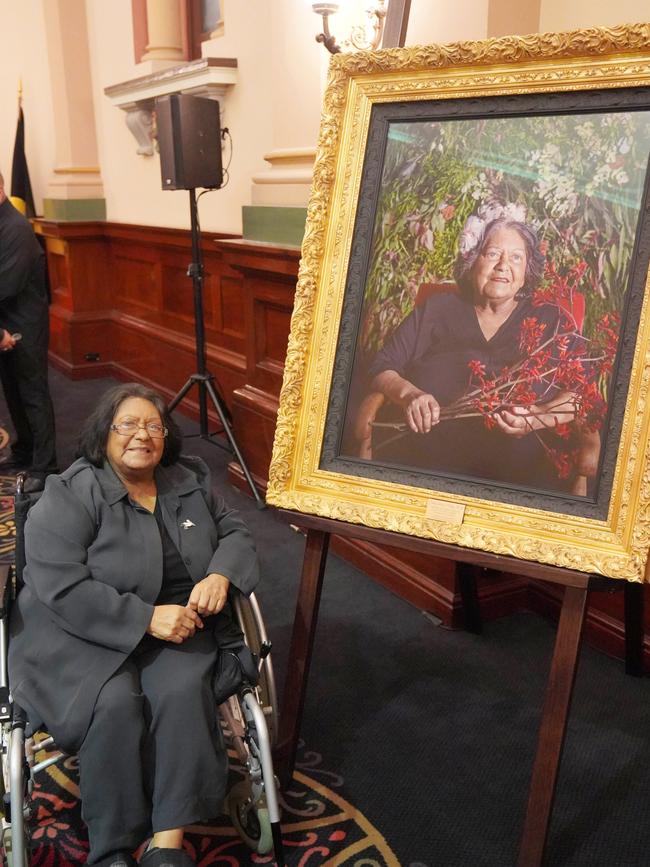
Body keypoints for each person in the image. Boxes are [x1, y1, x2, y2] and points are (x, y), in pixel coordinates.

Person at [8, 382, 259, 867]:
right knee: (115, 704)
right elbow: (59, 586)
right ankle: (113, 849)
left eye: (153, 426)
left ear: (166, 437)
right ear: (104, 433)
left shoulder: (186, 479)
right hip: (82, 631)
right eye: (127, 424)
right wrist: (145, 618)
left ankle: (166, 845)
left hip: (180, 623)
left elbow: (236, 530)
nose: (141, 436)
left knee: (183, 690)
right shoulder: (71, 493)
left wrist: (221, 573)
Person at [367, 216, 578, 490]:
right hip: (425, 468)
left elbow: (580, 396)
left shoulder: (551, 321)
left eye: (516, 258)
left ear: (527, 271)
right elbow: (381, 366)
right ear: (473, 260)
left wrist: (539, 415)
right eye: (492, 254)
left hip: (519, 481)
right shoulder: (438, 310)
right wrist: (410, 395)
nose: (503, 266)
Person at [0, 170, 57, 490]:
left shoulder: (16, 228)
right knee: (13, 392)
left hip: (25, 324)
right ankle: (24, 450)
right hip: (5, 323)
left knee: (33, 394)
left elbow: (5, 286)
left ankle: (45, 466)